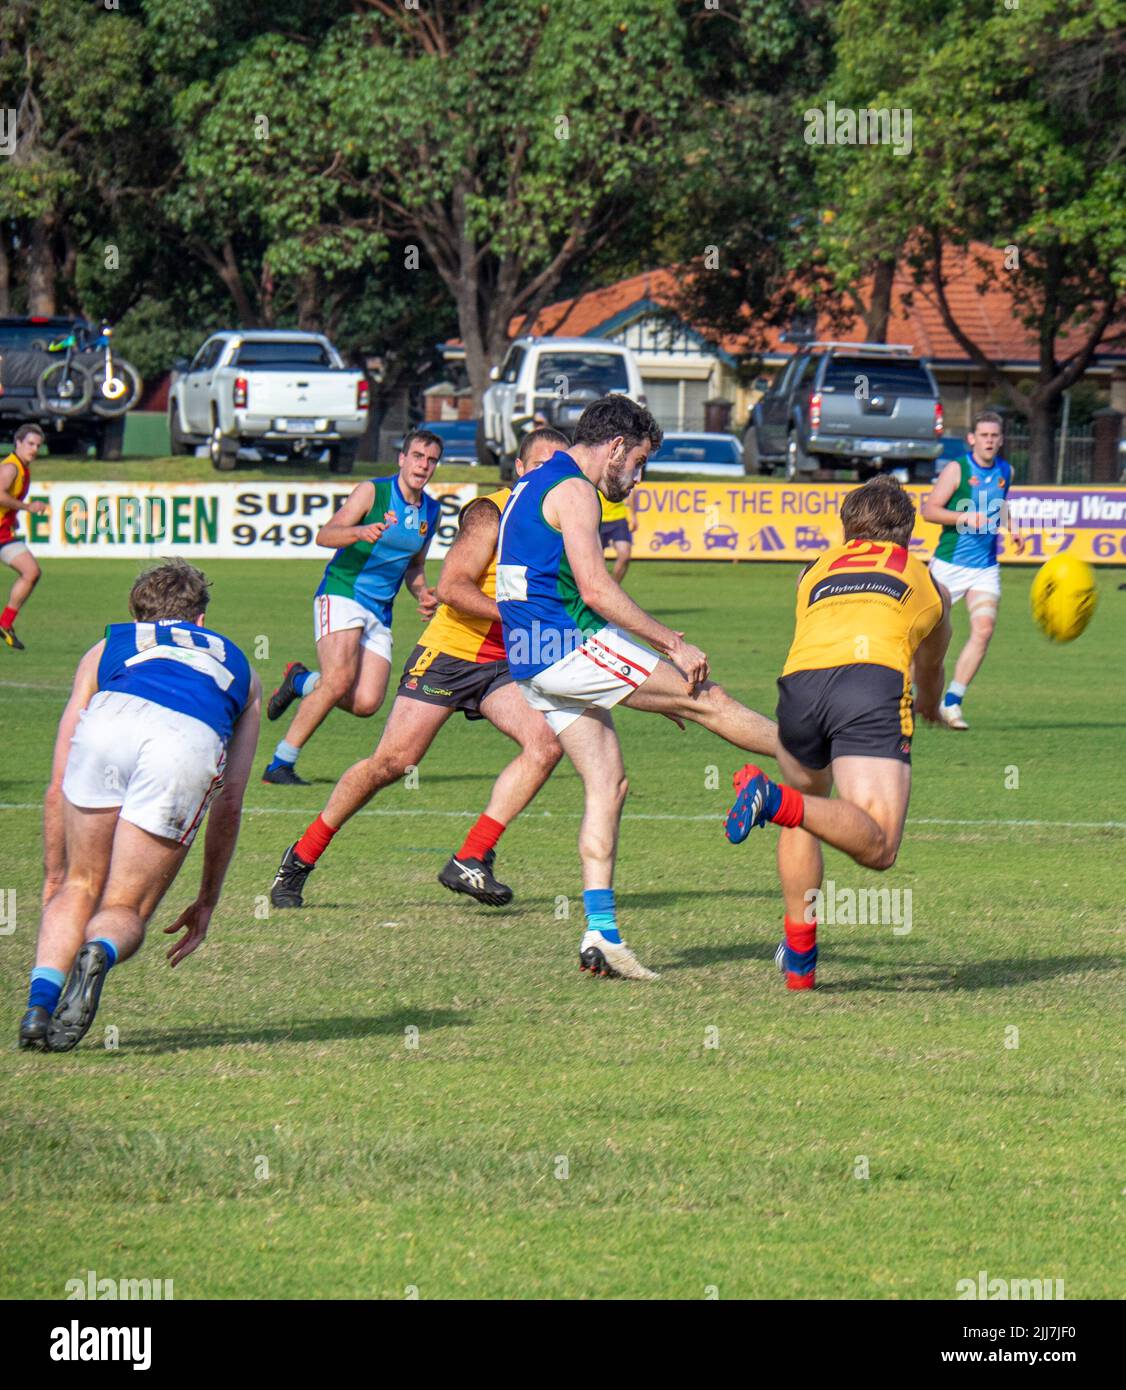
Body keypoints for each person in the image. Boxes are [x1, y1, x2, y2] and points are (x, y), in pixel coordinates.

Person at [496, 395, 777, 981]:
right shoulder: (574, 490)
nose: (638, 476)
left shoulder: (532, 482)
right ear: (617, 446)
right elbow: (596, 589)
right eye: (640, 461)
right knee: (708, 700)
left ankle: (602, 934)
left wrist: (641, 683)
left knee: (609, 782)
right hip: (563, 647)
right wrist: (670, 647)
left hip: (531, 661)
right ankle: (819, 751)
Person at [269, 429, 568, 909]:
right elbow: (454, 588)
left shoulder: (562, 523)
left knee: (545, 745)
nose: (548, 476)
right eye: (540, 465)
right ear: (519, 469)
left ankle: (471, 857)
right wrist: (516, 615)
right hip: (448, 655)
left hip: (502, 665)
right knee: (391, 764)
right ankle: (300, 857)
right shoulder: (491, 512)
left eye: (559, 467)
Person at [19, 559, 261, 1051]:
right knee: (125, 907)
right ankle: (99, 952)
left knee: (78, 884)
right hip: (186, 739)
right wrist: (207, 899)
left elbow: (57, 775)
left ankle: (38, 1010)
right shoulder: (243, 667)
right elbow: (230, 799)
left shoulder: (107, 645)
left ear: (136, 614)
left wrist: (53, 874)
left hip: (111, 722)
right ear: (200, 620)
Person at [723, 476, 951, 990]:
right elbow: (930, 665)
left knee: (809, 814)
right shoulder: (928, 579)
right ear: (909, 535)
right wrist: (932, 706)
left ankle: (800, 963)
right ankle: (768, 797)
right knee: (879, 847)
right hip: (868, 684)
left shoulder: (810, 571)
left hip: (798, 688)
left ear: (847, 531)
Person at [262, 430, 443, 784]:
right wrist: (359, 532)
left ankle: (302, 681)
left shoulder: (431, 511)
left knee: (365, 703)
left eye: (431, 460)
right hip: (343, 592)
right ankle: (280, 764)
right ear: (402, 459)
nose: (424, 465)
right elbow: (326, 535)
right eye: (418, 456)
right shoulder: (372, 492)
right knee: (340, 679)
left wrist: (422, 594)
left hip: (380, 611)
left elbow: (414, 566)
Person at [921, 411, 1023, 730]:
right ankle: (904, 698)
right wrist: (965, 518)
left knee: (984, 629)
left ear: (1001, 440)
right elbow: (929, 511)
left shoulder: (1007, 470)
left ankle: (952, 702)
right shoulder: (957, 469)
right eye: (984, 435)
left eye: (995, 436)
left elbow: (999, 505)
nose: (989, 441)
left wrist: (1011, 528)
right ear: (972, 439)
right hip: (948, 566)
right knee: (924, 638)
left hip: (985, 568)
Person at [0, 423, 49, 650]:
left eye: (38, 445)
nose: (34, 449)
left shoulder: (21, 468)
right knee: (30, 572)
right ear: (18, 443)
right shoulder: (10, 468)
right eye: (30, 443)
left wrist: (13, 515)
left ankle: (5, 623)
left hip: (3, 533)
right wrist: (27, 507)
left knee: (31, 572)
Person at [599, 488, 634, 583]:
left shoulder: (620, 474)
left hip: (619, 518)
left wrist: (633, 516)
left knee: (625, 554)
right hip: (598, 518)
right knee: (596, 561)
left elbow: (630, 491)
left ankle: (614, 587)